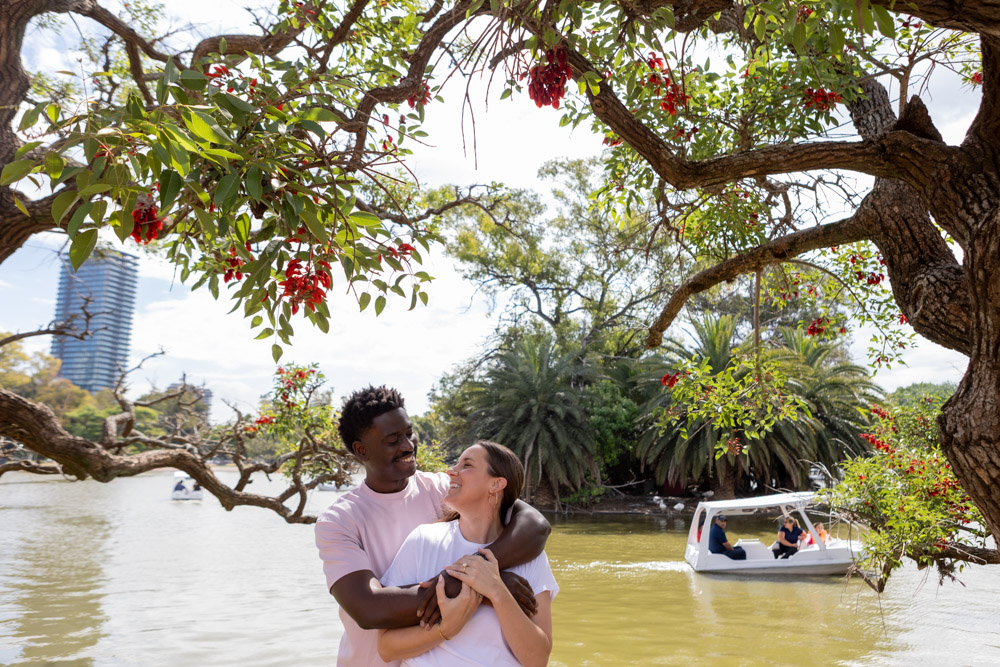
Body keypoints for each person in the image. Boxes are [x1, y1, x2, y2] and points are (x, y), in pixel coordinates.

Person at [314, 386, 551, 666]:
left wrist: (484, 576)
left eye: (408, 433)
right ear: (361, 450)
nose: (408, 445)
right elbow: (368, 609)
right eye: (393, 440)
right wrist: (481, 588)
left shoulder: (442, 490)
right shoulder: (339, 520)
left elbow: (535, 525)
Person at [378, 441, 557, 666]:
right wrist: (445, 629)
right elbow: (386, 648)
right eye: (456, 463)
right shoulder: (422, 540)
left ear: (496, 484)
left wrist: (496, 591)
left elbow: (538, 660)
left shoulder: (532, 558)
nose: (451, 471)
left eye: (467, 465)